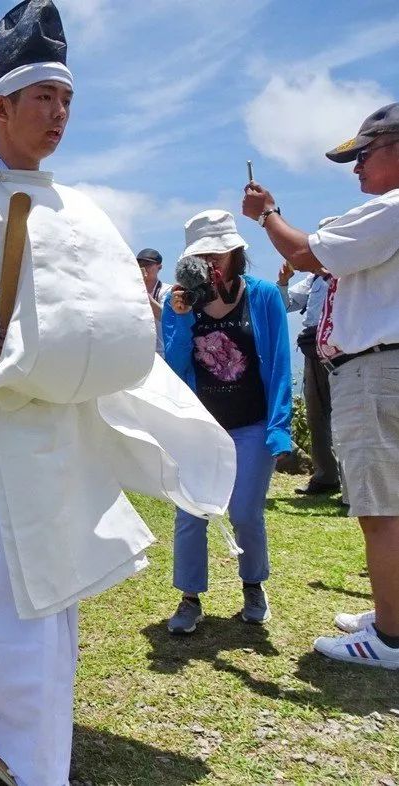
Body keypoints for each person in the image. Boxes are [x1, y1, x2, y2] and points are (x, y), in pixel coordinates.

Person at [0, 4, 235, 783]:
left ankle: (27, 749)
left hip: (50, 437)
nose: (57, 115)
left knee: (36, 603)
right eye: (41, 99)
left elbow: (113, 321)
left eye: (66, 100)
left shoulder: (80, 213)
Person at [242, 101, 399, 670]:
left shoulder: (392, 209)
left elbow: (306, 253)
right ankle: (391, 613)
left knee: (380, 506)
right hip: (383, 369)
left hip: (377, 371)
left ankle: (389, 638)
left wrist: (267, 214)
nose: (355, 168)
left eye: (364, 154)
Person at [162, 210, 292, 635]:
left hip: (252, 423)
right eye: (203, 256)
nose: (212, 263)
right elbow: (176, 367)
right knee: (190, 512)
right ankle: (189, 597)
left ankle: (253, 585)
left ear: (236, 253)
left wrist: (279, 425)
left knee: (245, 511)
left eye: (218, 253)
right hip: (200, 426)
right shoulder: (179, 301)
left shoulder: (264, 295)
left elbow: (278, 365)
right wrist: (181, 316)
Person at [276, 219, 341, 497]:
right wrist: (282, 283)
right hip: (312, 348)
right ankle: (325, 476)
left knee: (343, 414)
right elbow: (287, 304)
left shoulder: (347, 271)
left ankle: (350, 484)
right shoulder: (313, 279)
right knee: (317, 414)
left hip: (342, 349)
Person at [137, 248, 170, 355]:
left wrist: (144, 294)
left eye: (147, 264)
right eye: (139, 264)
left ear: (159, 267)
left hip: (161, 353)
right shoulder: (131, 291)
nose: (143, 268)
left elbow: (165, 316)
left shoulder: (167, 290)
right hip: (138, 352)